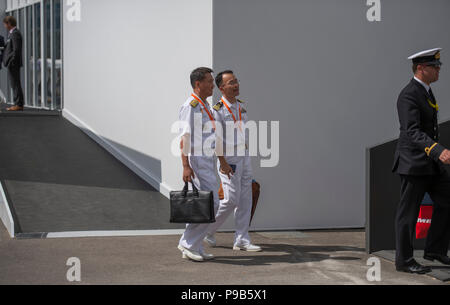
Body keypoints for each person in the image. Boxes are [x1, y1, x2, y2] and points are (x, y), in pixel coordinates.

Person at [392, 48, 450, 274]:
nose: (438, 70)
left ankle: (434, 249)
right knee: (408, 214)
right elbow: (412, 132)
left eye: (438, 66)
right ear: (421, 68)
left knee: (447, 199)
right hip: (413, 163)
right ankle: (404, 261)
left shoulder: (425, 91)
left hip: (429, 165)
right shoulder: (409, 94)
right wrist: (438, 150)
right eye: (435, 67)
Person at [204, 70, 262, 252]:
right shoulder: (218, 110)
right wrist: (222, 162)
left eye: (236, 81)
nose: (236, 85)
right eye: (231, 83)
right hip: (229, 159)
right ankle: (207, 230)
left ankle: (242, 239)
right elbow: (216, 139)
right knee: (230, 199)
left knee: (246, 199)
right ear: (221, 88)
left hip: (244, 157)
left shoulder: (240, 107)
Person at [177, 67, 219, 262]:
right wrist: (185, 166)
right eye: (209, 81)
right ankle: (188, 243)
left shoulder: (204, 105)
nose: (212, 85)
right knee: (211, 204)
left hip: (208, 160)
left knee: (203, 205)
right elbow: (184, 138)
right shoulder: (191, 106)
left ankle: (193, 244)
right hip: (198, 160)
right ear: (198, 84)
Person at [2, 16, 24, 111]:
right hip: (12, 63)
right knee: (14, 84)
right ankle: (18, 104)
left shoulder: (15, 34)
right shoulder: (12, 34)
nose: (4, 26)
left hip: (13, 64)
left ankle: (18, 104)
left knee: (15, 84)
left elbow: (16, 50)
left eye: (5, 24)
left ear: (9, 23)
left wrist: (11, 61)